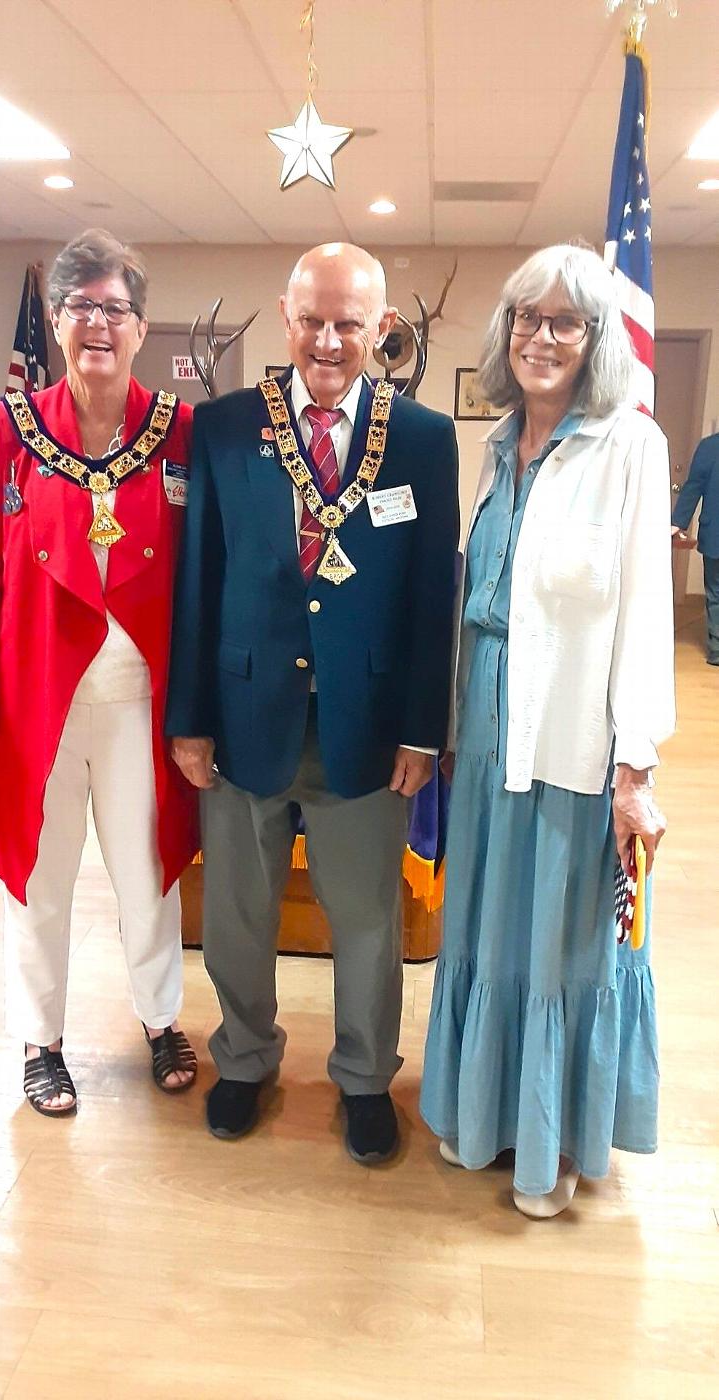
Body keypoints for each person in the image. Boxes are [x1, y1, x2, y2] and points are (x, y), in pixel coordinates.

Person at [166, 242, 458, 1164]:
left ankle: (366, 1078)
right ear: (286, 318)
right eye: (312, 319)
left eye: (349, 322)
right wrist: (189, 715)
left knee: (368, 917)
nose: (328, 340)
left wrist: (423, 728)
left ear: (382, 329)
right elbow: (197, 578)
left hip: (366, 725)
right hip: (246, 713)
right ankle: (246, 1060)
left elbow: (426, 599)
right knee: (240, 912)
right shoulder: (221, 428)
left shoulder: (420, 436)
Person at [420, 244, 675, 1217]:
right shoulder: (490, 444)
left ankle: (553, 1138)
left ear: (594, 337)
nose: (541, 336)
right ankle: (476, 1113)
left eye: (564, 321)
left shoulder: (630, 449)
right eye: (527, 316)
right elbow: (476, 599)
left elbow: (647, 614)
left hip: (570, 739)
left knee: (561, 941)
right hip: (486, 736)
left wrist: (634, 762)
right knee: (486, 924)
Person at [0, 229, 199, 1116]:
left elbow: (204, 576)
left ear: (140, 326)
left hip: (140, 705)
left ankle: (160, 1017)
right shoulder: (4, 429)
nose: (98, 323)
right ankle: (40, 1040)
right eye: (80, 305)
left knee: (147, 872)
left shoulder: (179, 433)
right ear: (54, 321)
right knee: (40, 883)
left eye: (114, 308)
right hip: (33, 705)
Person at [671, 431, 719, 666]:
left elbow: (694, 486)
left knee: (716, 594)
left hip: (715, 535)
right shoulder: (710, 447)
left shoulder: (710, 447)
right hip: (715, 535)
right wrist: (677, 523)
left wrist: (678, 522)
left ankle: (718, 650)